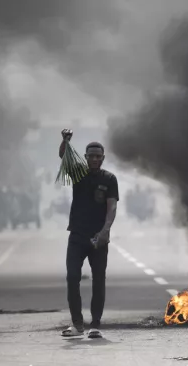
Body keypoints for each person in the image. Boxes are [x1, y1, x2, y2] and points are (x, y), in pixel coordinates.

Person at [59, 129, 119, 339]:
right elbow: (63, 157)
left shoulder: (110, 179)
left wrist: (105, 231)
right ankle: (77, 323)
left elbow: (111, 208)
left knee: (98, 280)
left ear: (103, 158)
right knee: (72, 277)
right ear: (85, 158)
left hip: (98, 238)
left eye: (98, 156)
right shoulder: (78, 174)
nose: (94, 159)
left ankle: (95, 324)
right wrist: (65, 141)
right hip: (77, 235)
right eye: (91, 156)